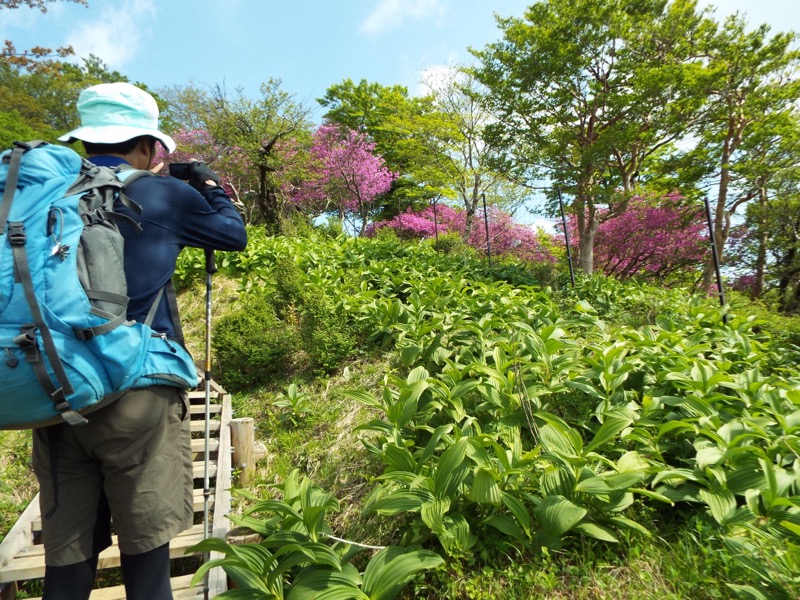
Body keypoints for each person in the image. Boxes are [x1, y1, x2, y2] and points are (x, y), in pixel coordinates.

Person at [31, 82, 248, 600]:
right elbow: (233, 234)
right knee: (147, 562)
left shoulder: (47, 195)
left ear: (84, 141)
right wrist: (208, 183)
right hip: (137, 392)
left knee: (67, 563)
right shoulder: (163, 193)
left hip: (56, 389)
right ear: (150, 146)